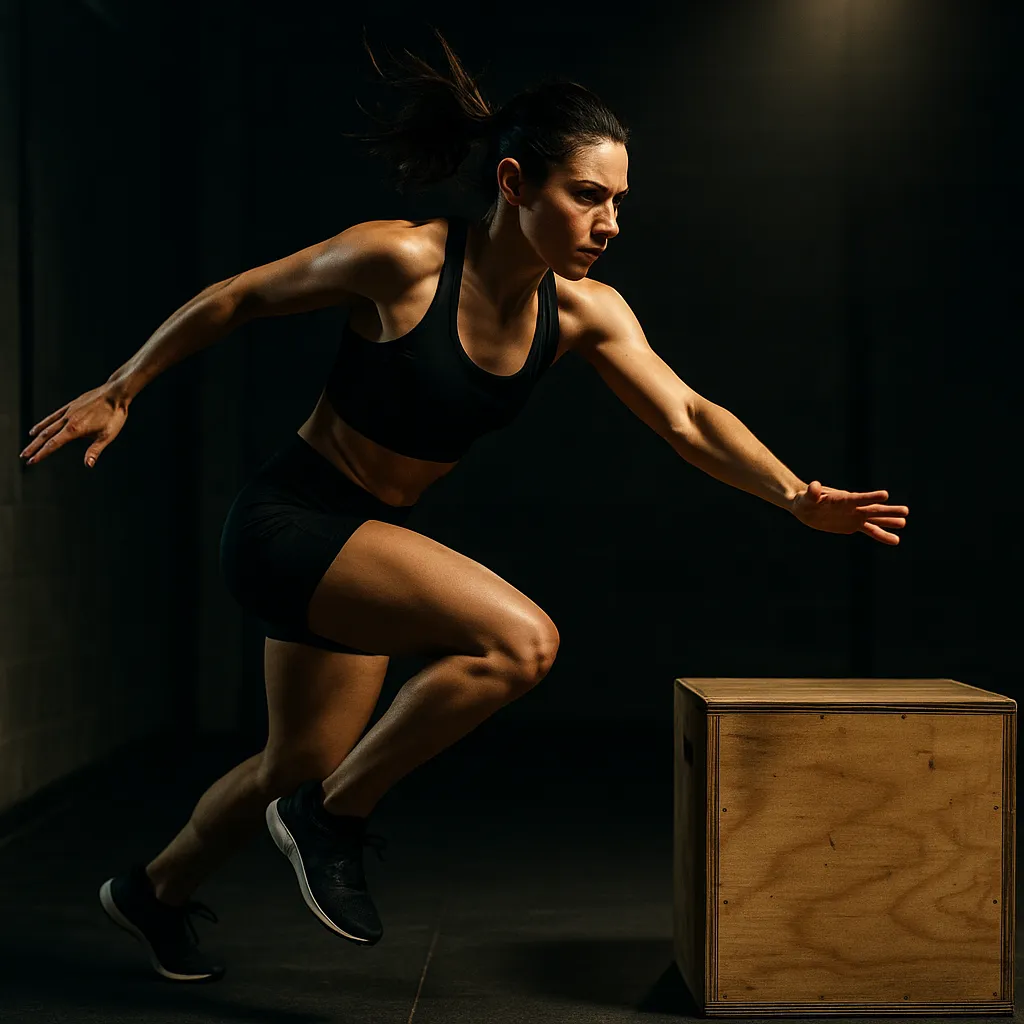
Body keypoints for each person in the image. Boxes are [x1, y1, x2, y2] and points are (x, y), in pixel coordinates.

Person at [18, 28, 909, 984]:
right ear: (516, 183)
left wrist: (793, 496)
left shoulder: (585, 311)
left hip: (360, 541)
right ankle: (332, 821)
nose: (609, 222)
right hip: (290, 522)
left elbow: (690, 416)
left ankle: (152, 893)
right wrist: (122, 385)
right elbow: (238, 297)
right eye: (588, 195)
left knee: (291, 763)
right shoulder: (403, 262)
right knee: (521, 643)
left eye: (618, 201)